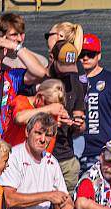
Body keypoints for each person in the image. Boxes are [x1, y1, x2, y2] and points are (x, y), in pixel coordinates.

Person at [80, 34, 111, 173]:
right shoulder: (72, 80)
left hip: (102, 152)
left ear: (99, 55)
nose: (85, 58)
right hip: (75, 152)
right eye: (81, 54)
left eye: (90, 54)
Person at [47, 40, 86, 191]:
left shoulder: (75, 83)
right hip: (41, 156)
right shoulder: (40, 81)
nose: (67, 72)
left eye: (70, 68)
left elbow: (81, 123)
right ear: (52, 57)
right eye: (63, 66)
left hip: (66, 157)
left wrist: (77, 124)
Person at [3, 78, 66, 152]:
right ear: (39, 96)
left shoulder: (51, 112)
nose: (52, 111)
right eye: (48, 104)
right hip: (11, 155)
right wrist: (48, 109)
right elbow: (19, 119)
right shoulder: (21, 101)